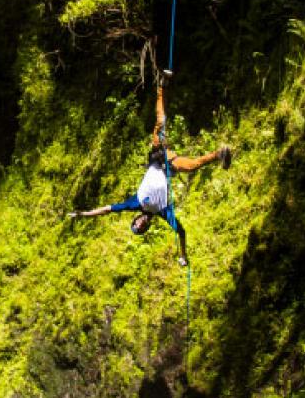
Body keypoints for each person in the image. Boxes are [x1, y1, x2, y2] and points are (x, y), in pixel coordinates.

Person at [68, 72, 231, 266]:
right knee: (191, 166)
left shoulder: (135, 203)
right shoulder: (163, 211)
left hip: (157, 156)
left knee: (161, 121)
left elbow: (107, 210)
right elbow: (181, 232)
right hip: (170, 164)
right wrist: (183, 256)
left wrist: (83, 214)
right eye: (142, 227)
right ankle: (220, 154)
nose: (141, 223)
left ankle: (162, 85)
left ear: (136, 218)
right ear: (147, 226)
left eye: (137, 224)